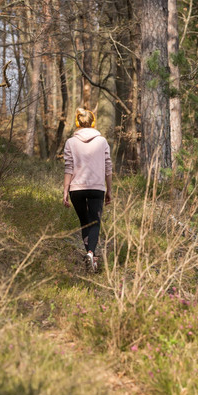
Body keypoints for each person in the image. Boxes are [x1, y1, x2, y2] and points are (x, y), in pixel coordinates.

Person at [63, 108, 113, 272]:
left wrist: (65, 192)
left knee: (85, 222)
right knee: (95, 222)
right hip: (96, 188)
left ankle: (90, 257)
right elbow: (108, 168)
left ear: (78, 122)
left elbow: (68, 168)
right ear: (93, 122)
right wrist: (109, 190)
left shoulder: (70, 142)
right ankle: (91, 254)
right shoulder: (102, 141)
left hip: (76, 189)